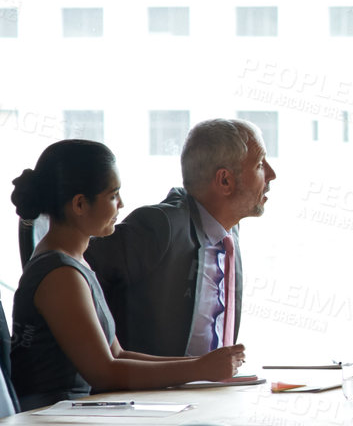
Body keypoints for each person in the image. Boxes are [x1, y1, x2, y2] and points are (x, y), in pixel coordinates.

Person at [9, 140, 247, 410]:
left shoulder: (76, 262)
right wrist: (197, 370)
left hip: (75, 414)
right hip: (50, 422)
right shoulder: (60, 275)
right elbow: (106, 374)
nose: (121, 204)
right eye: (113, 195)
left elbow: (118, 355)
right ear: (79, 204)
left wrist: (202, 367)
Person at [86, 118, 276, 357]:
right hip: (154, 391)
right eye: (260, 165)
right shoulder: (159, 226)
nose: (272, 174)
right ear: (225, 180)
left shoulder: (230, 230)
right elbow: (75, 270)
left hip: (209, 389)